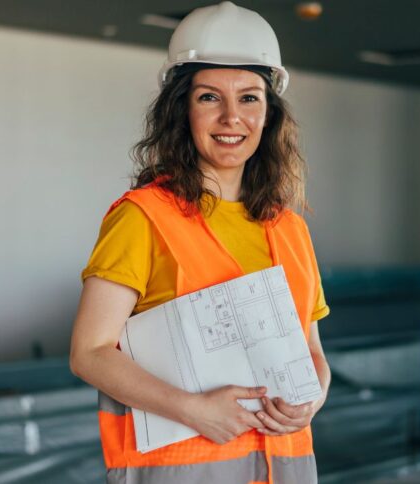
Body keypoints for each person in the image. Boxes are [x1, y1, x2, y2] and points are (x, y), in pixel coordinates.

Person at [69, 2, 331, 483]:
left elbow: (312, 350)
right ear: (182, 111)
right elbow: (89, 351)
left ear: (270, 114)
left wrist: (313, 397)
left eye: (250, 98)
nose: (232, 117)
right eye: (210, 97)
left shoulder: (289, 227)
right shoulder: (142, 217)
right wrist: (193, 409)